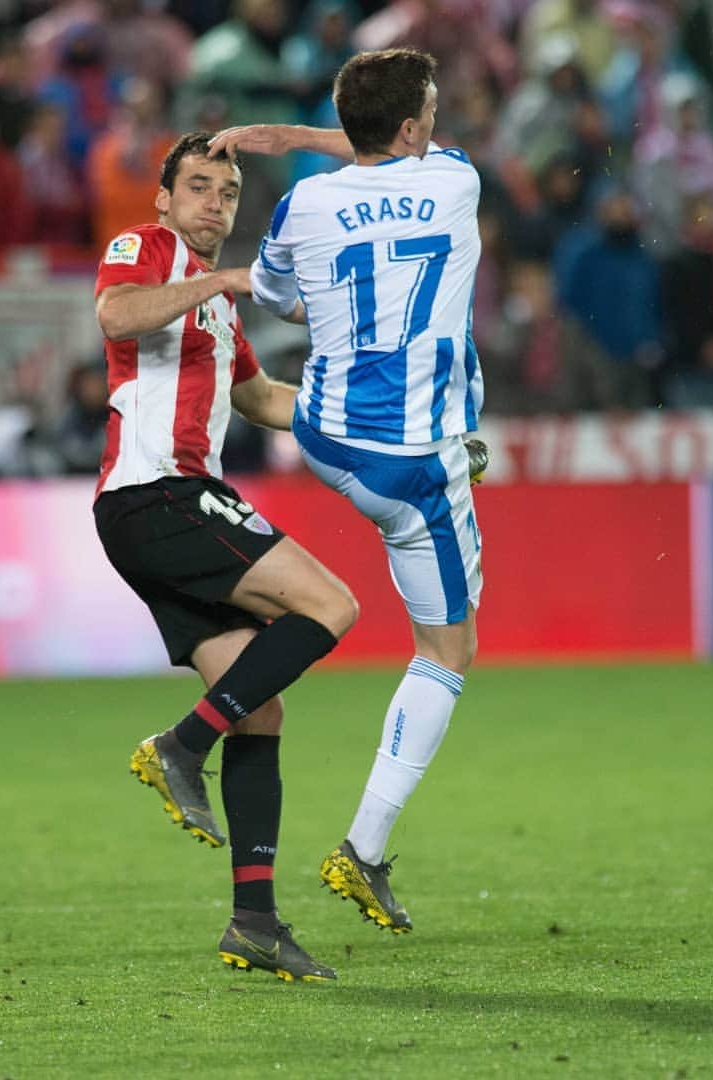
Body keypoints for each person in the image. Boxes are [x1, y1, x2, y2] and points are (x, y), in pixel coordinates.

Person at [210, 47, 488, 935]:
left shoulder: (301, 203)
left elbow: (285, 298)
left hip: (324, 435)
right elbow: (388, 153)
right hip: (410, 462)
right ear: (414, 128)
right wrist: (304, 136)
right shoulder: (454, 181)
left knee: (380, 369)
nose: (438, 122)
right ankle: (362, 851)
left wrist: (288, 141)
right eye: (430, 110)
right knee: (448, 650)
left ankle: (218, 369)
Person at [93, 131, 359, 982]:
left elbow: (259, 399)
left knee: (262, 708)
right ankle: (180, 745)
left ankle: (253, 920)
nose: (215, 203)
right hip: (157, 493)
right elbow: (116, 313)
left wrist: (362, 419)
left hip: (157, 511)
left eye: (228, 192)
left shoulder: (217, 308)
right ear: (165, 198)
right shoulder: (148, 250)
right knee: (331, 606)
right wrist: (217, 277)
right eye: (199, 187)